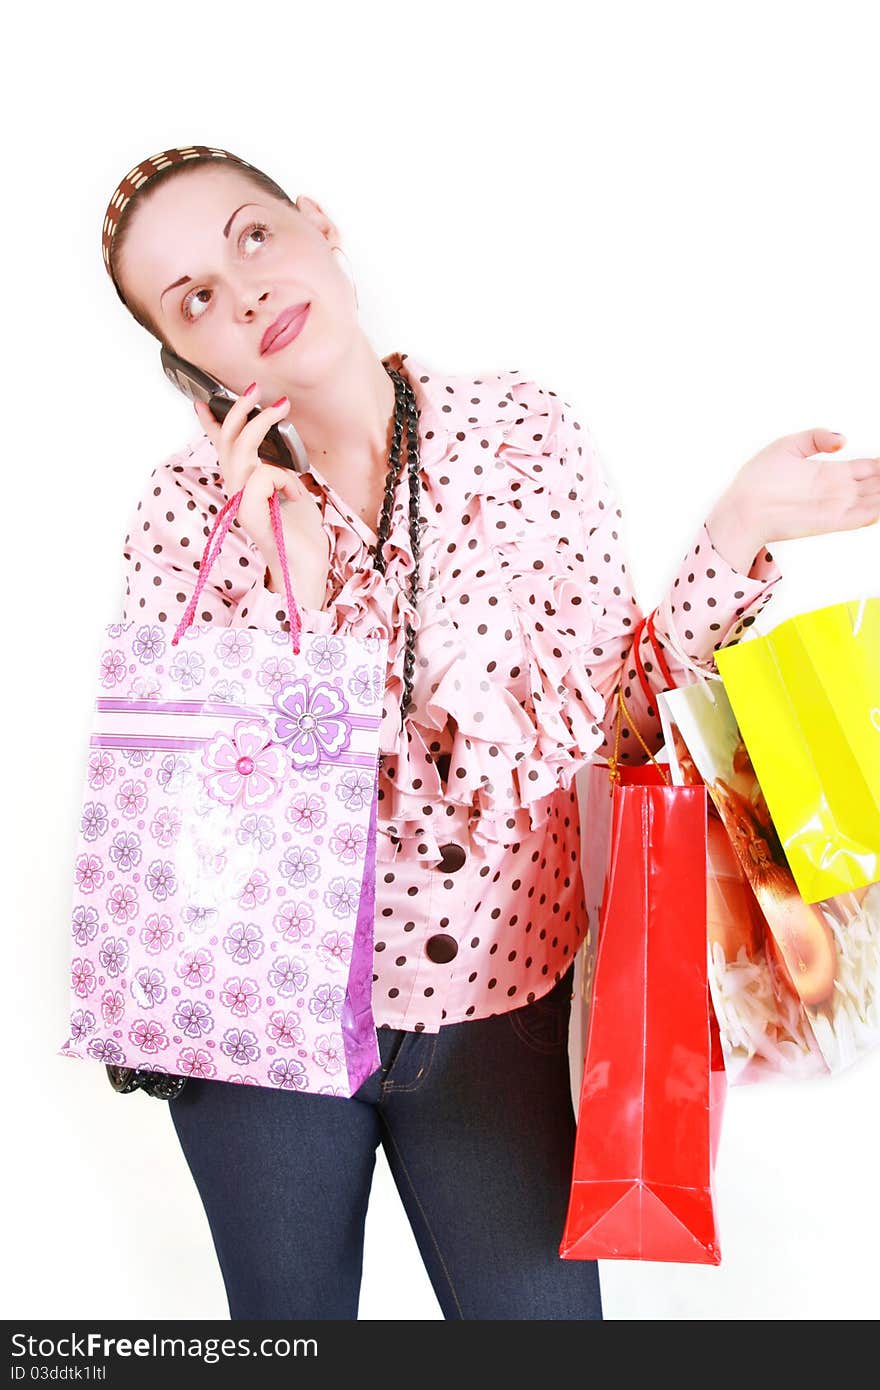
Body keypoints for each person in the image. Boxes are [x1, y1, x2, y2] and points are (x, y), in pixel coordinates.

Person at [99, 144, 880, 1320]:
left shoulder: (514, 431)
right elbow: (214, 823)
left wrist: (735, 529)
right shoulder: (185, 516)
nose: (243, 291)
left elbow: (612, 723)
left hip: (501, 1008)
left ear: (316, 223)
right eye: (194, 296)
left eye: (250, 237)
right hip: (262, 1029)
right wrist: (303, 593)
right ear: (182, 352)